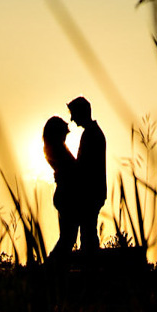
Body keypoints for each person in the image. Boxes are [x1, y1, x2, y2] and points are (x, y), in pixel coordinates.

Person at [67, 96, 106, 253]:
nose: (72, 119)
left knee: (88, 234)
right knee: (88, 233)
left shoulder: (92, 135)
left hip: (91, 193)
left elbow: (85, 167)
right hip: (93, 193)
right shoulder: (92, 134)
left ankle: (91, 270)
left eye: (73, 114)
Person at [42, 115, 79, 263]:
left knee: (67, 238)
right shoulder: (56, 150)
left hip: (64, 195)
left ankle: (54, 267)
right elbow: (71, 169)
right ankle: (51, 267)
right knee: (67, 239)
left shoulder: (54, 149)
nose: (65, 137)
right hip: (66, 196)